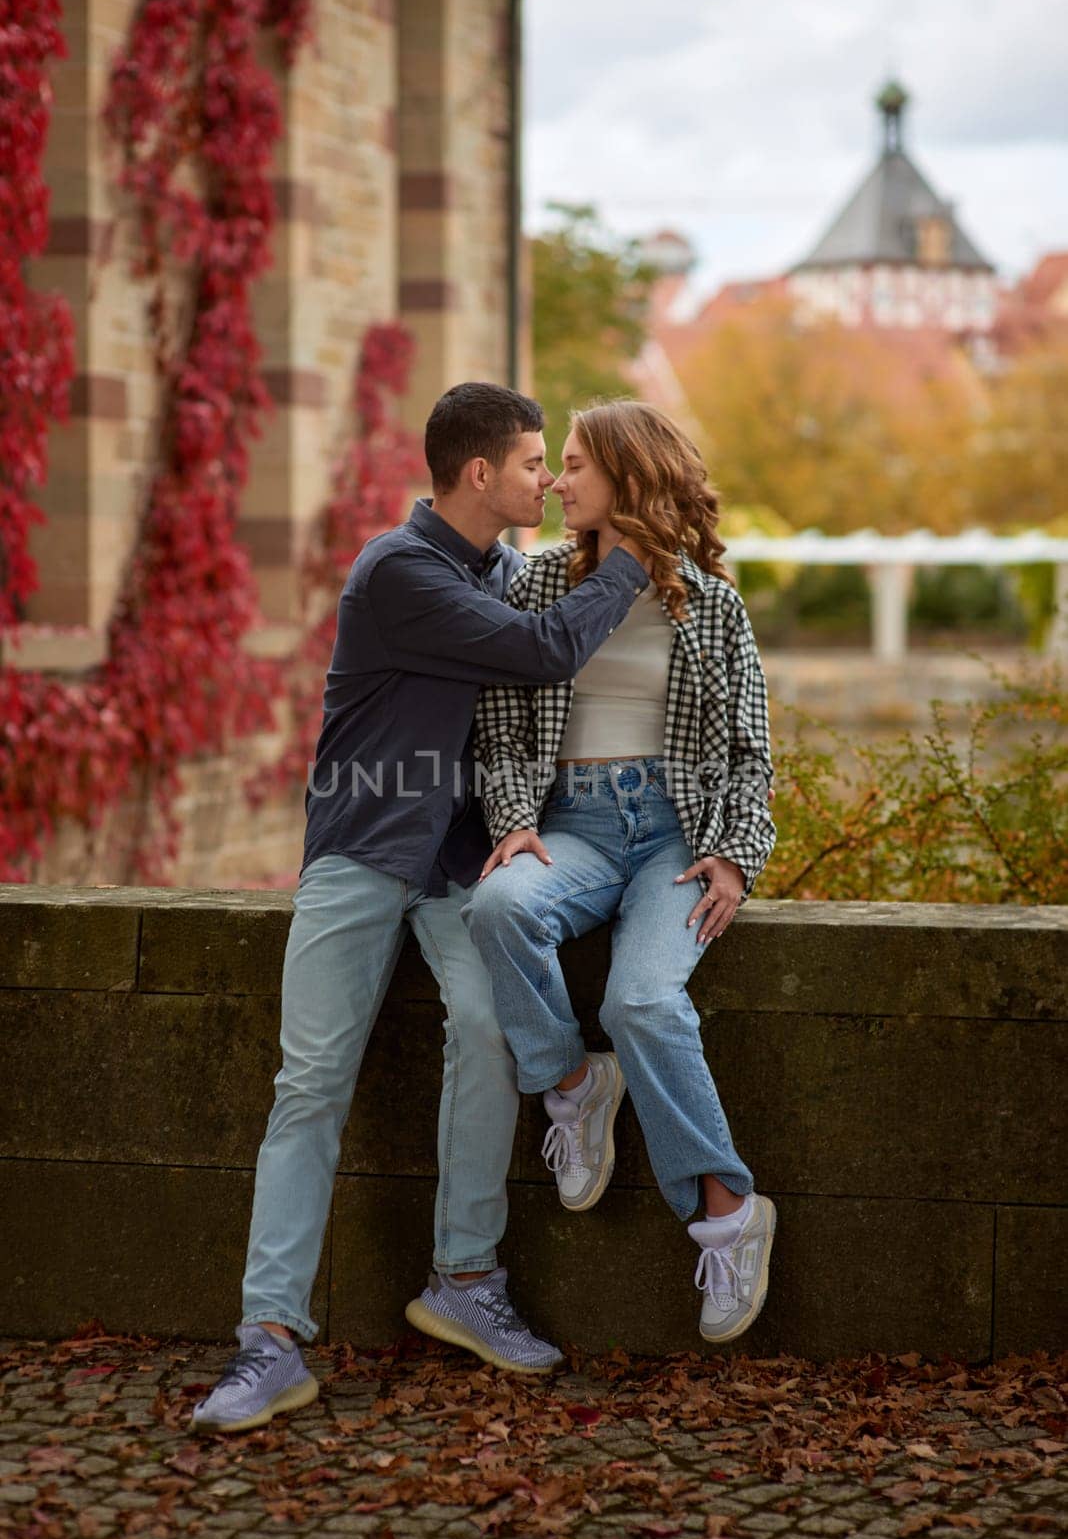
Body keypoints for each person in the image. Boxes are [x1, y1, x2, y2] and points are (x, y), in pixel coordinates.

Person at [191, 383, 652, 1433]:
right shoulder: (397, 571)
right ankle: (268, 1340)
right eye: (536, 461)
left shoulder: (500, 570)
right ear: (480, 473)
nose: (548, 477)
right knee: (309, 1081)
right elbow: (543, 653)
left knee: (490, 1028)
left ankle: (464, 1280)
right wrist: (627, 555)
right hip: (360, 850)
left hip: (455, 857)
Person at [464, 399, 777, 1345]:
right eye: (551, 464)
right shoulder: (540, 585)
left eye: (573, 466)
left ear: (629, 477)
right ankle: (571, 1085)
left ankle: (727, 1210)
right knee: (499, 906)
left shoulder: (712, 604)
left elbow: (751, 754)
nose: (556, 482)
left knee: (642, 1004)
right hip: (575, 828)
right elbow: (500, 725)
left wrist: (732, 855)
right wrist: (516, 819)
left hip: (677, 838)